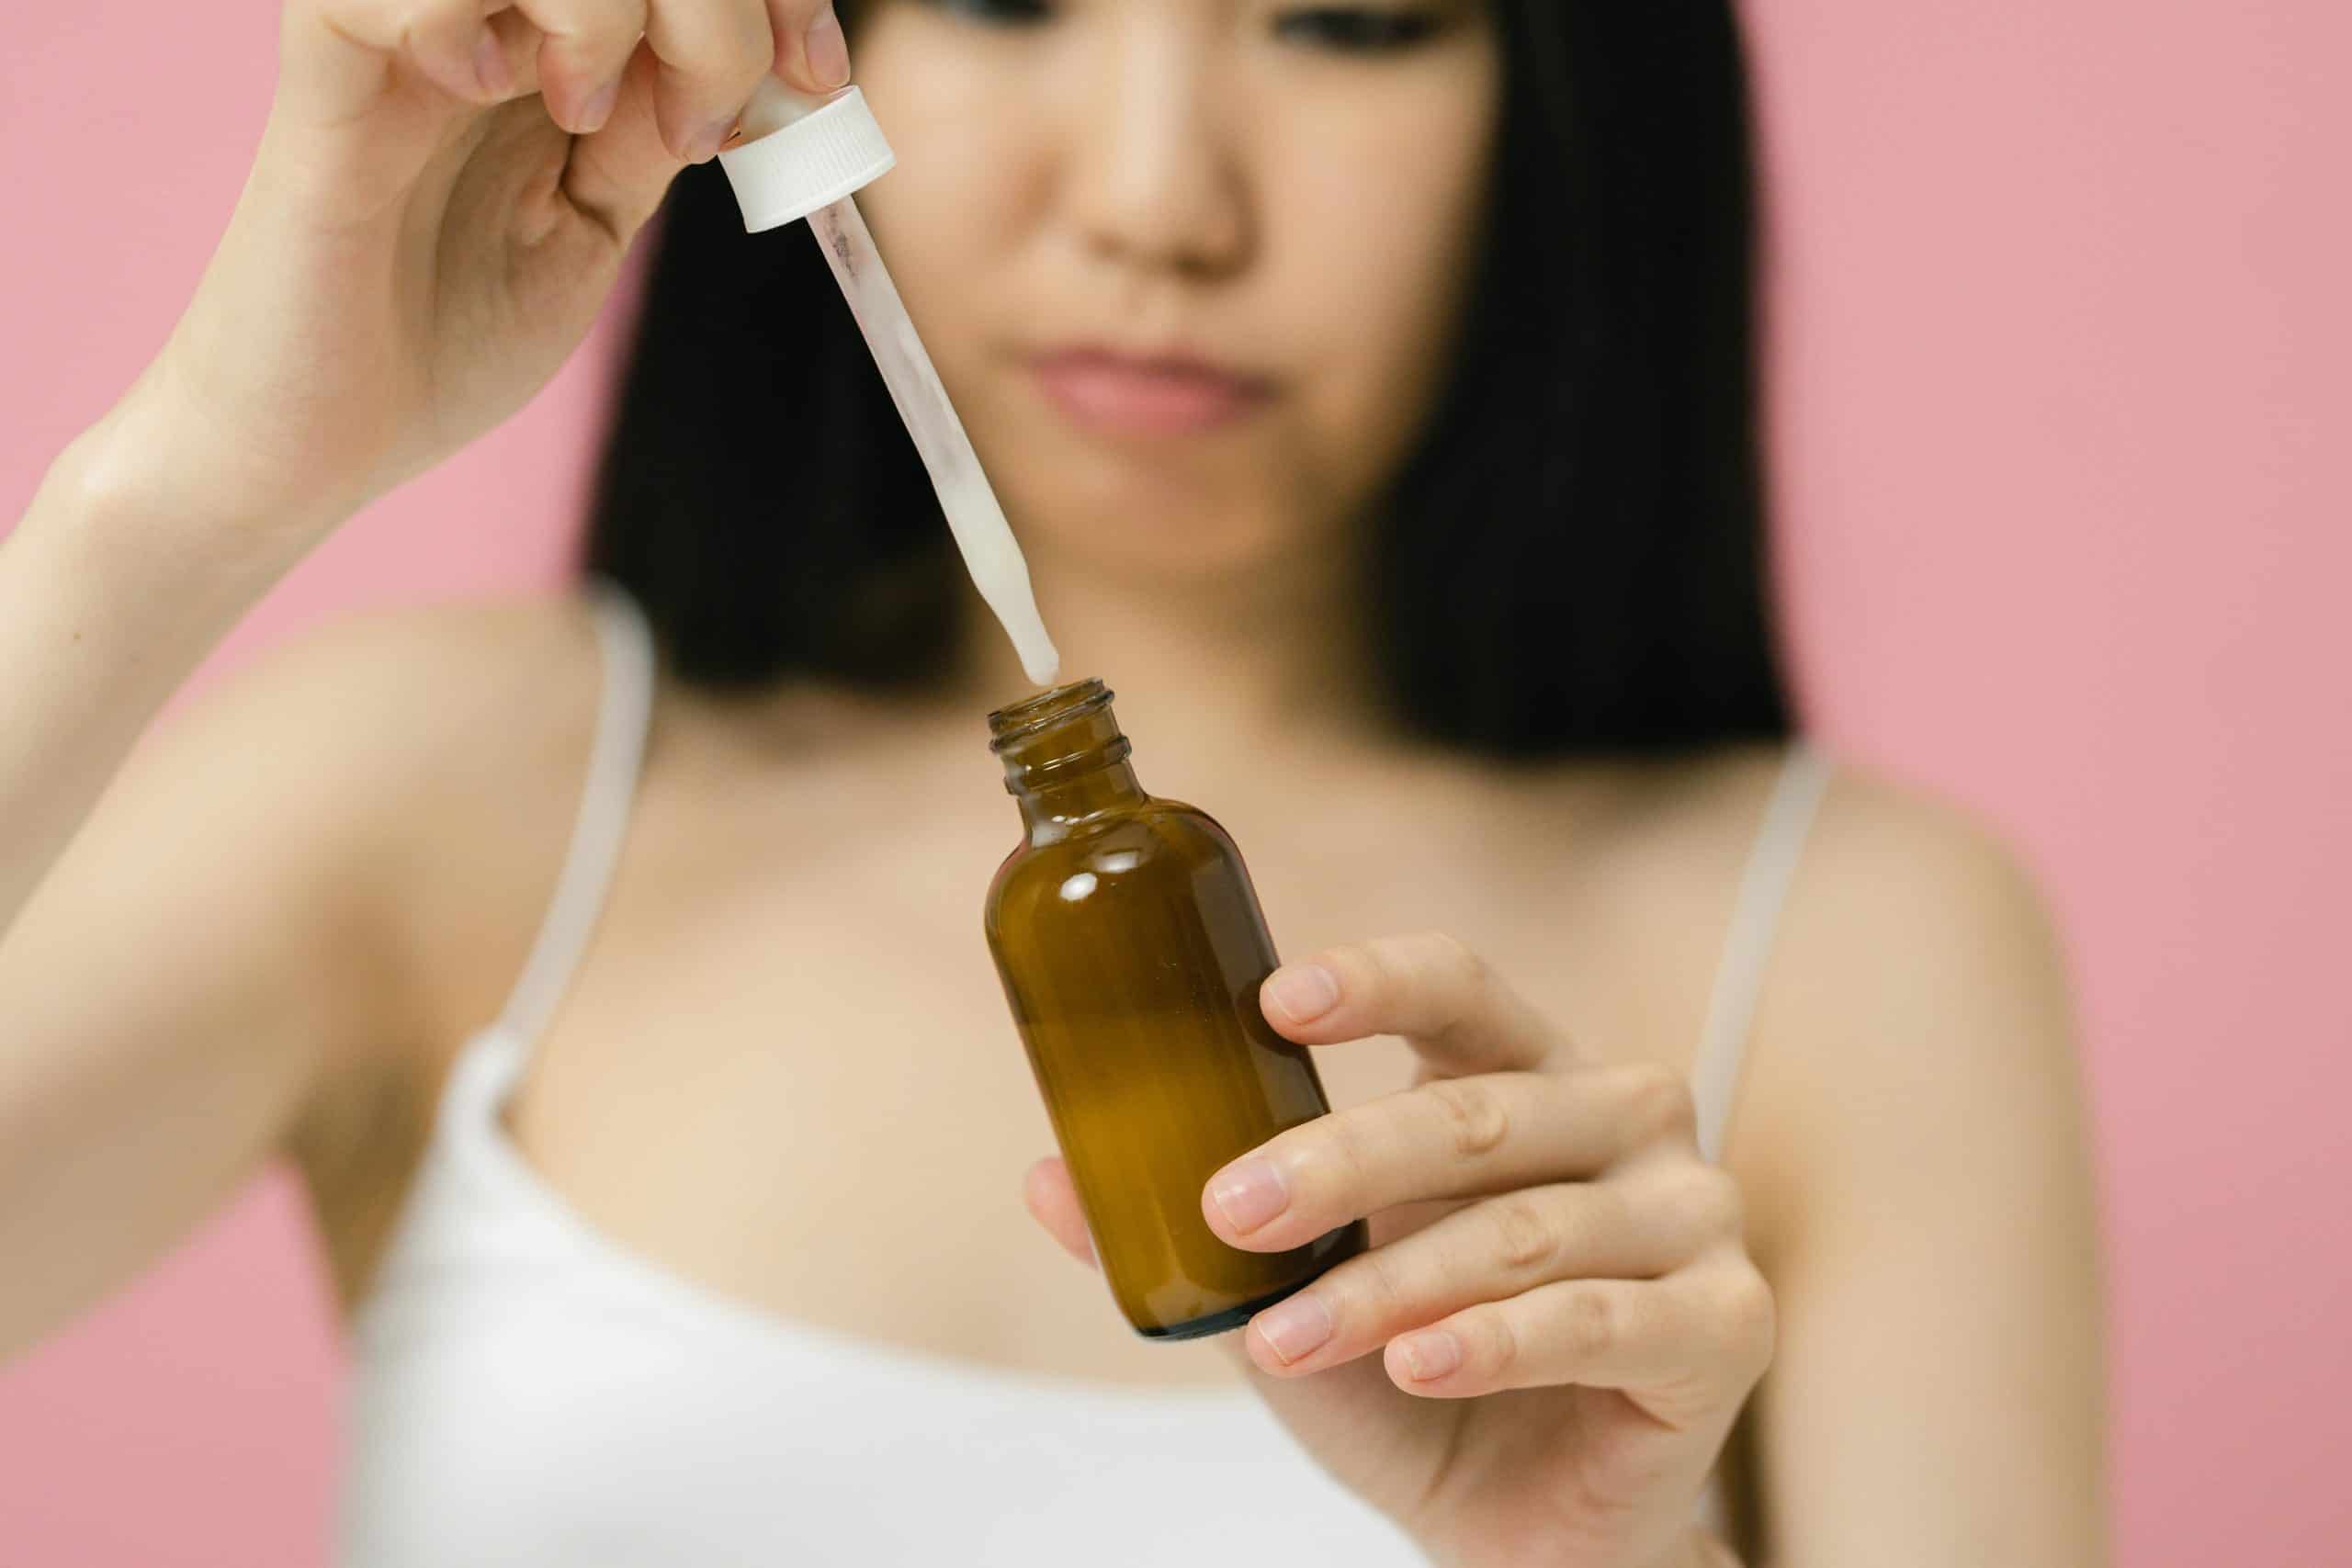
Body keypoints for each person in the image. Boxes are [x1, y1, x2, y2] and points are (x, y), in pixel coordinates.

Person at [0, 1, 2107, 1562]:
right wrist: (186, 484)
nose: (1152, 198)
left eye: (1349, 20)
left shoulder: (1857, 942)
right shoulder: (438, 800)